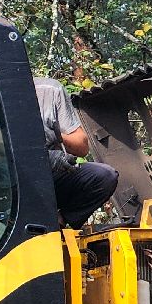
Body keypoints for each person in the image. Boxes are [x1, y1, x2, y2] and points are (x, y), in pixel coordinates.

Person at [33, 77, 119, 228]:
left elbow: (82, 147)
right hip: (15, 182)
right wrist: (40, 156)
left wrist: (57, 136)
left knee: (105, 176)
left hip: (52, 176)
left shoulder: (49, 89)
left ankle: (60, 221)